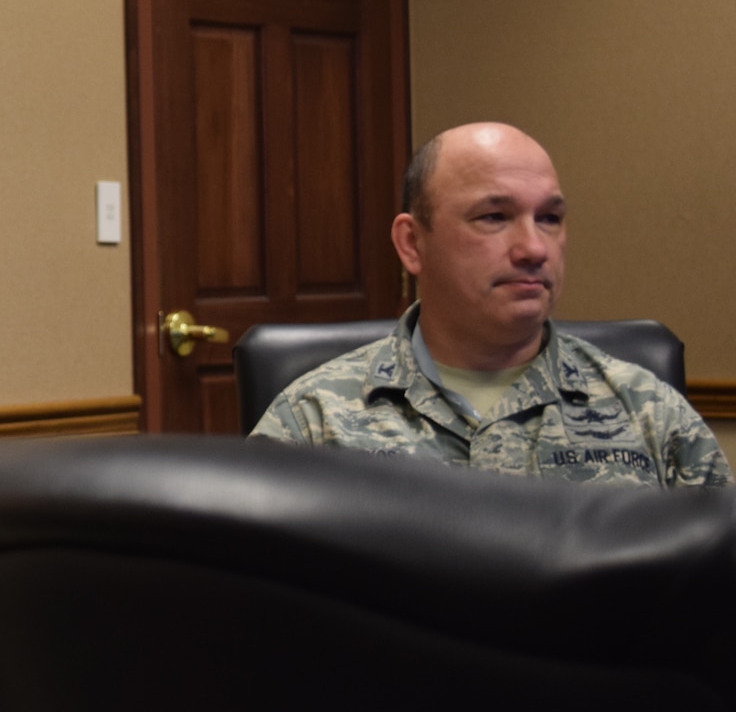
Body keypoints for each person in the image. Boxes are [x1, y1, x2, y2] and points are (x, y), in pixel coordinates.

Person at [252, 121, 728, 488]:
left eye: (550, 218)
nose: (534, 248)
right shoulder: (313, 423)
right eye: (494, 217)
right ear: (412, 244)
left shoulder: (652, 416)